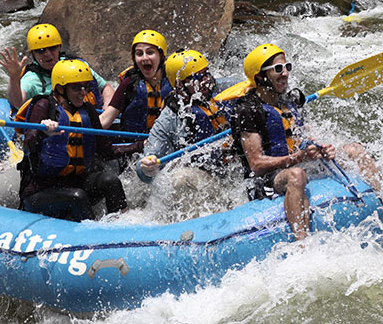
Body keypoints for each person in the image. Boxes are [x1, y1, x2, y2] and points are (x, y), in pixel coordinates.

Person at [221, 44, 383, 239]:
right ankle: (302, 244)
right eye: (278, 69)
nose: (285, 74)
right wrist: (298, 158)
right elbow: (256, 164)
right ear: (260, 76)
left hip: (296, 161)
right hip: (266, 179)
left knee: (355, 150)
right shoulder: (247, 110)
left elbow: (306, 136)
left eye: (287, 67)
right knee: (297, 175)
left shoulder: (289, 100)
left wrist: (321, 148)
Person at [14, 60, 127, 221]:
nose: (83, 92)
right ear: (60, 88)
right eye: (76, 87)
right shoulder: (43, 106)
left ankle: (123, 227)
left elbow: (107, 151)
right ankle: (96, 236)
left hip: (75, 184)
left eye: (85, 87)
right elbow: (27, 146)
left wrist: (140, 145)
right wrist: (43, 133)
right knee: (77, 197)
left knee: (110, 180)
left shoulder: (87, 110)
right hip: (40, 192)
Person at [136, 50, 234, 181]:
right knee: (181, 179)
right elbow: (145, 164)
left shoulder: (228, 88)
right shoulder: (170, 118)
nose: (206, 80)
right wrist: (147, 169)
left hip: (237, 166)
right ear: (179, 85)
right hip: (207, 176)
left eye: (206, 73)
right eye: (197, 77)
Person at [99, 30, 172, 160]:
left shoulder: (173, 79)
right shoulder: (130, 83)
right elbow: (106, 119)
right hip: (135, 149)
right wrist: (76, 128)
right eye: (139, 54)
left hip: (167, 148)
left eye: (150, 52)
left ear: (161, 56)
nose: (144, 58)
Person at [0, 23, 108, 110]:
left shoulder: (77, 66)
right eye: (40, 50)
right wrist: (14, 77)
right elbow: (18, 103)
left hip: (91, 118)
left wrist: (107, 108)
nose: (47, 54)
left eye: (52, 48)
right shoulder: (33, 79)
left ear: (59, 47)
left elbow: (106, 87)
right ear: (33, 54)